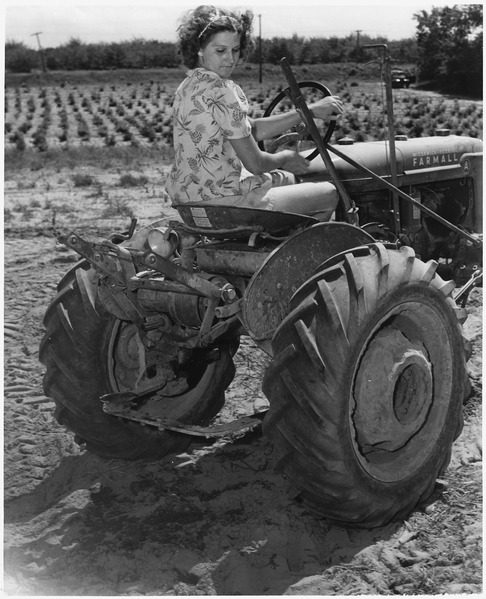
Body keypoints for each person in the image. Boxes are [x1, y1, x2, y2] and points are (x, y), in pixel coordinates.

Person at [166, 5, 344, 221]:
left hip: (190, 200)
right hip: (226, 204)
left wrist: (309, 112)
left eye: (235, 49)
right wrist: (285, 157)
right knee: (329, 194)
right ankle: (283, 251)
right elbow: (256, 164)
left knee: (287, 179)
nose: (230, 59)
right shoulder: (221, 91)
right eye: (220, 50)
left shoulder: (189, 85)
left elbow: (253, 128)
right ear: (199, 49)